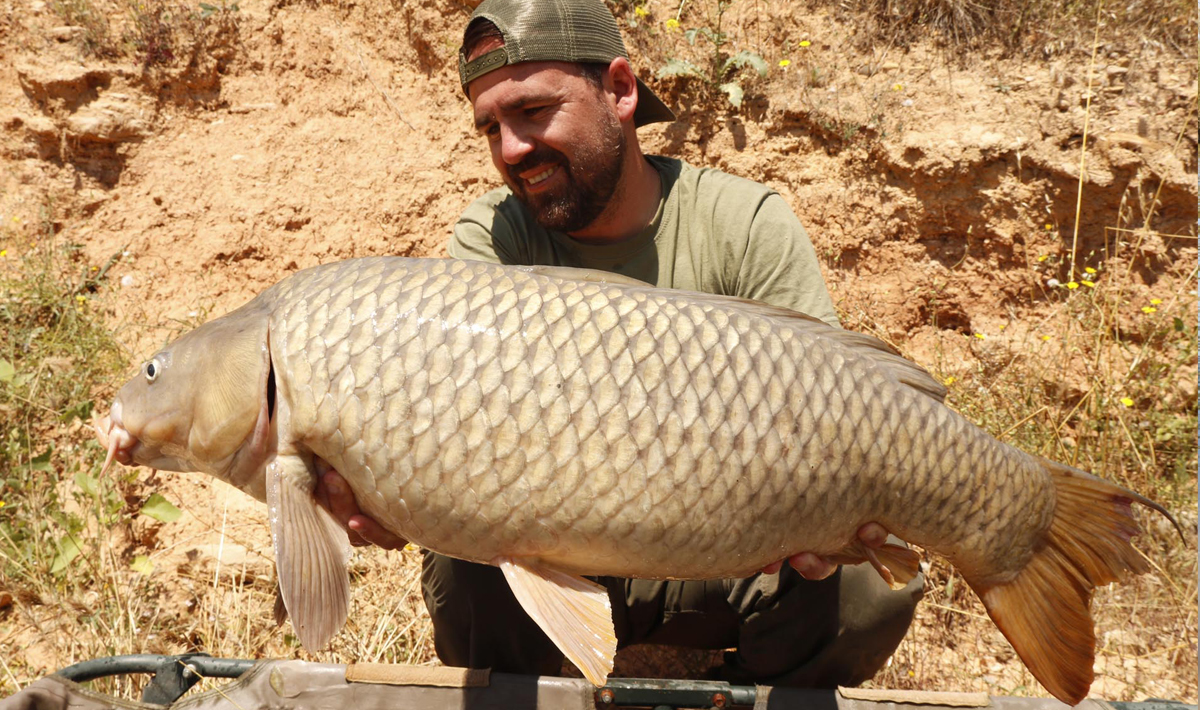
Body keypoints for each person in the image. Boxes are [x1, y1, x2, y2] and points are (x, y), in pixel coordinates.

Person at [315, 0, 924, 689]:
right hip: (563, 551)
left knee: (869, 587)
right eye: (490, 127)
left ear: (621, 90)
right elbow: (456, 430)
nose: (511, 148)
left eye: (533, 111)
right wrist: (396, 501)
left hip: (726, 553)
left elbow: (832, 413)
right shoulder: (494, 238)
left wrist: (830, 523)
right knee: (464, 565)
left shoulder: (744, 223)